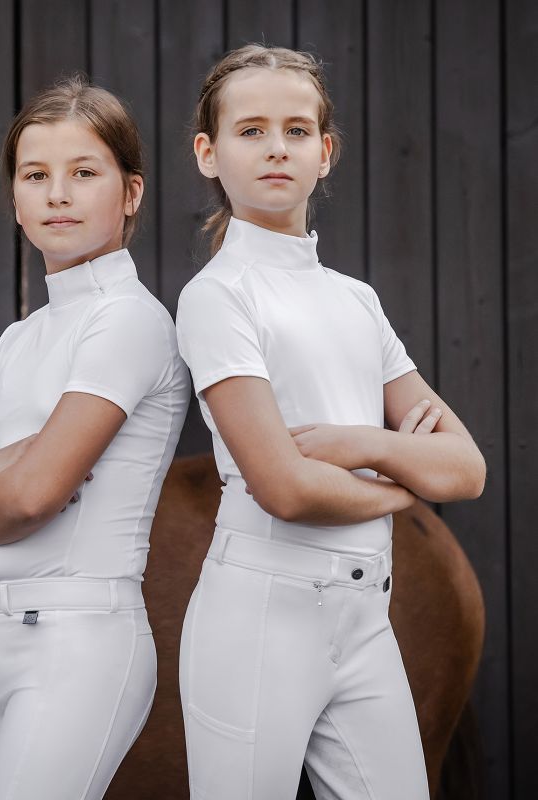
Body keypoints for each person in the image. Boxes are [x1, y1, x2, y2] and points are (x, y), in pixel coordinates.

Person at [175, 44, 485, 800]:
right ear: (209, 153)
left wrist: (359, 445)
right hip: (259, 621)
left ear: (326, 152)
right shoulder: (219, 296)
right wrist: (407, 481)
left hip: (365, 616)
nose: (277, 147)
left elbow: (467, 469)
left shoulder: (356, 301)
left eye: (297, 130)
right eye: (251, 131)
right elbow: (285, 488)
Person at [0, 75, 189, 800]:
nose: (58, 194)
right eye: (35, 176)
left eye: (84, 173)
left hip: (80, 642)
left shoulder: (127, 321)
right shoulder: (16, 344)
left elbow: (31, 499)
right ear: (16, 198)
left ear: (131, 192)